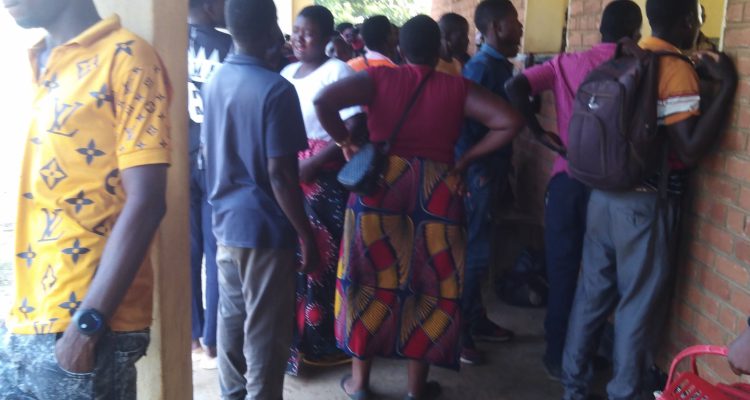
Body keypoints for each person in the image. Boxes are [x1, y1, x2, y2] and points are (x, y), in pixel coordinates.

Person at [315, 14, 523, 400]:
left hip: (380, 187)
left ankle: (360, 384)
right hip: (436, 193)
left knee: (368, 280)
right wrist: (463, 161)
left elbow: (323, 100)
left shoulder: (378, 79)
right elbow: (509, 121)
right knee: (429, 285)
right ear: (439, 48)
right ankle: (415, 389)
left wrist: (346, 141)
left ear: (400, 48)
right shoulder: (456, 88)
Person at [560, 0, 738, 398]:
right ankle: (624, 392)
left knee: (590, 296)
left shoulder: (626, 59)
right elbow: (689, 149)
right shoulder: (673, 69)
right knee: (635, 307)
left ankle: (572, 386)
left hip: (602, 198)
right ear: (690, 21)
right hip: (643, 206)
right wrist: (725, 86)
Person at [0, 0, 171, 398]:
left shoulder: (128, 57)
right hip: (27, 319)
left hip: (88, 325)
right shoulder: (38, 58)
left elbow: (147, 202)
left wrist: (84, 330)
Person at [505, 0, 644, 380]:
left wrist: (536, 131)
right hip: (615, 188)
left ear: (599, 29)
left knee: (563, 271)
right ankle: (585, 354)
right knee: (604, 277)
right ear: (635, 32)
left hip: (567, 179)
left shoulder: (564, 63)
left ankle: (556, 355)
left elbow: (514, 84)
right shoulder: (638, 64)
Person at [202, 0, 321, 397]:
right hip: (266, 231)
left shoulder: (216, 80)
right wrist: (304, 233)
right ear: (272, 28)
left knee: (232, 325)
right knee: (266, 338)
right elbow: (281, 175)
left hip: (225, 226)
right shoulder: (276, 89)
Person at [280, 4, 364, 376]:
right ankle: (294, 344)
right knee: (293, 260)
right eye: (296, 30)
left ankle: (322, 343)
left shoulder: (338, 72)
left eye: (309, 32)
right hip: (287, 178)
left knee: (323, 262)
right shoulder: (285, 73)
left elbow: (356, 126)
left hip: (325, 180)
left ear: (327, 37)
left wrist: (314, 163)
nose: (300, 38)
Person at [455, 0, 522, 365]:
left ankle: (476, 319)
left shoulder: (497, 66)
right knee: (476, 255)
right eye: (514, 22)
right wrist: (468, 169)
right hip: (478, 174)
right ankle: (460, 332)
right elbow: (463, 127)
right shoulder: (481, 70)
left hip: (490, 171)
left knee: (483, 250)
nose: (521, 28)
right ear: (496, 27)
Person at [187, 0, 232, 370]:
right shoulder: (228, 47)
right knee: (217, 249)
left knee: (187, 251)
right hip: (217, 159)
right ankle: (214, 339)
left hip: (177, 159)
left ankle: (189, 333)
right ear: (209, 6)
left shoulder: (166, 43)